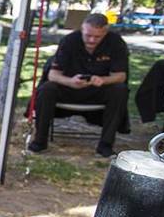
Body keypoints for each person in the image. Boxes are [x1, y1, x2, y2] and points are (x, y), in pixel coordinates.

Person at [28, 13, 130, 158]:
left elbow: (121, 76)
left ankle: (105, 145)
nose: (92, 40)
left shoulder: (116, 42)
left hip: (98, 90)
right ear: (82, 29)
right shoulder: (69, 40)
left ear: (105, 32)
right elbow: (53, 75)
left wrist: (103, 80)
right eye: (88, 35)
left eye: (97, 37)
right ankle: (40, 141)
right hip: (69, 88)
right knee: (46, 88)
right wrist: (71, 81)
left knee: (120, 90)